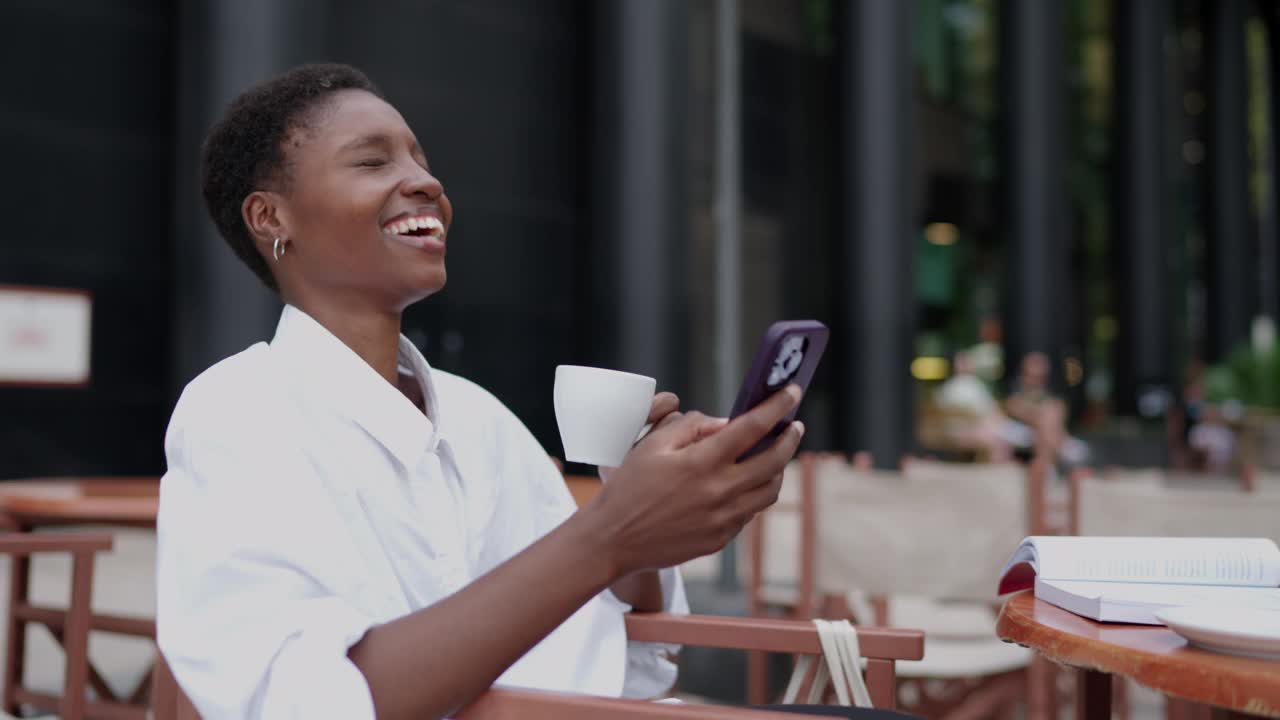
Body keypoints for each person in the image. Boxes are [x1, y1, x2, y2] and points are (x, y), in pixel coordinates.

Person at [156, 63, 832, 720]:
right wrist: (612, 531)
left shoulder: (479, 417)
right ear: (271, 217)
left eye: (420, 160)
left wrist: (643, 527)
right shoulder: (238, 414)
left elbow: (624, 654)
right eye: (373, 162)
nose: (424, 181)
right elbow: (307, 704)